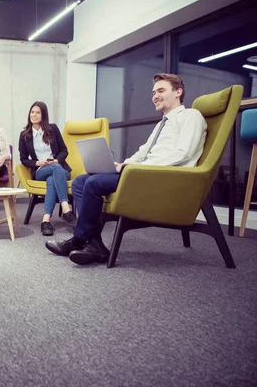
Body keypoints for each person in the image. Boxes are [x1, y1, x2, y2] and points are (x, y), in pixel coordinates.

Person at [46, 73, 207, 265]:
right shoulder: (162, 124)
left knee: (94, 183)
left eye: (161, 90)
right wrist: (123, 164)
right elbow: (144, 152)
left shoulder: (191, 116)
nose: (155, 95)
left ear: (178, 92)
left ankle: (78, 240)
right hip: (142, 172)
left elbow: (184, 153)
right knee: (81, 180)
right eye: (154, 92)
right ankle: (94, 243)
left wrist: (137, 168)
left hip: (163, 178)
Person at [19, 101, 76, 236]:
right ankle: (66, 208)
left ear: (43, 114)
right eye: (32, 112)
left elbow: (64, 150)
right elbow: (23, 159)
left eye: (38, 112)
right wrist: (38, 163)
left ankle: (46, 221)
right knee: (53, 171)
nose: (34, 115)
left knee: (52, 179)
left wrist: (56, 160)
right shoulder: (24, 135)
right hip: (40, 171)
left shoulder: (52, 129)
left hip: (60, 170)